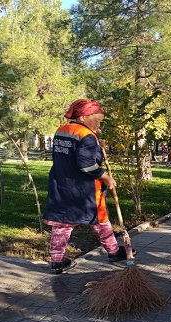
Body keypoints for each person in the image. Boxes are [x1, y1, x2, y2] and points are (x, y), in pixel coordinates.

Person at [43, 99, 129, 274]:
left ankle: (57, 261)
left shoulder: (62, 130)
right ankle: (113, 252)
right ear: (83, 117)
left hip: (62, 186)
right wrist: (105, 177)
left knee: (62, 224)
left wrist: (97, 145)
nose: (99, 124)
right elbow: (86, 164)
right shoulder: (87, 135)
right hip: (86, 189)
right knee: (101, 220)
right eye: (97, 120)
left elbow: (72, 153)